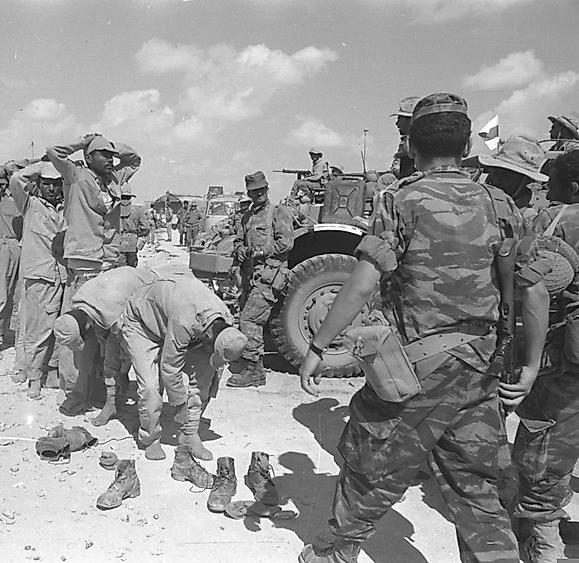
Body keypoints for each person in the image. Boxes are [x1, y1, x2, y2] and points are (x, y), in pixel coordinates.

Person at [297, 93, 550, 563]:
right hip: (480, 368)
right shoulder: (500, 204)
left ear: (411, 146)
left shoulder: (401, 199)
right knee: (476, 485)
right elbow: (534, 291)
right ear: (469, 143)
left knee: (370, 459)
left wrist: (319, 344)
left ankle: (336, 551)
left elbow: (363, 280)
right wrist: (531, 367)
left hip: (416, 370)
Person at [512, 150, 579, 562]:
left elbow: (532, 286)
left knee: (544, 439)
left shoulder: (557, 221)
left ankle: (543, 538)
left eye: (552, 182)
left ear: (572, 187)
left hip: (564, 355)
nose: (546, 189)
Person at [47, 133, 141, 416]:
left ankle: (109, 391)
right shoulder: (75, 175)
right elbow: (54, 151)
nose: (110, 159)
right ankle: (75, 393)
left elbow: (135, 158)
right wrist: (85, 141)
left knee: (113, 335)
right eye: (103, 154)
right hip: (85, 267)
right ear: (89, 157)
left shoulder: (115, 178)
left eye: (112, 155)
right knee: (78, 338)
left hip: (109, 266)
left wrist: (110, 144)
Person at [117, 276, 247, 461]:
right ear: (208, 337)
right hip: (142, 323)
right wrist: (179, 404)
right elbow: (170, 367)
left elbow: (216, 363)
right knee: (150, 387)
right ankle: (150, 438)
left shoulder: (225, 318)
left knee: (207, 373)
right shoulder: (185, 320)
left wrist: (205, 389)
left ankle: (189, 433)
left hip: (171, 319)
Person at [54, 266, 159, 427]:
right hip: (120, 288)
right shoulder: (80, 301)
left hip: (148, 290)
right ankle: (111, 403)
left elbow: (125, 344)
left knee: (137, 357)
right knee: (110, 350)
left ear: (87, 327)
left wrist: (123, 373)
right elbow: (100, 331)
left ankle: (147, 412)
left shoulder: (112, 312)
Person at [227, 171, 294, 388]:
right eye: (254, 192)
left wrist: (260, 251)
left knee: (249, 320)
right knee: (247, 320)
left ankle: (254, 371)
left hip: (269, 276)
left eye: (262, 191)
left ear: (267, 190)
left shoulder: (278, 212)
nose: (259, 195)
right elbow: (238, 239)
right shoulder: (246, 216)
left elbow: (286, 243)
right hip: (250, 278)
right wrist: (239, 250)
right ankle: (252, 363)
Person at [7, 161, 67, 399]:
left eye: (55, 184)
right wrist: (46, 163)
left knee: (58, 328)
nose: (51, 189)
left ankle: (51, 371)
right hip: (39, 274)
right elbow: (15, 180)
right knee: (36, 330)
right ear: (39, 185)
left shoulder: (65, 207)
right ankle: (34, 377)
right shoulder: (30, 204)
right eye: (46, 184)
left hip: (62, 273)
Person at [0, 159, 28, 360]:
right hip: (3, 247)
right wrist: (7, 166)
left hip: (22, 247)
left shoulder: (23, 198)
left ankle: (13, 335)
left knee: (19, 296)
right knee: (0, 295)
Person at [463, 134, 548, 212]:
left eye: (505, 175)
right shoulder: (481, 204)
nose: (493, 179)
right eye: (494, 171)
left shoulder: (526, 219)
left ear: (525, 181)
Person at [117, 183, 149, 267]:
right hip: (133, 242)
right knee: (132, 270)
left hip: (118, 242)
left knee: (120, 270)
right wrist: (140, 236)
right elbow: (145, 228)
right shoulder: (137, 210)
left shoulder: (115, 210)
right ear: (130, 197)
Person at [390, 96, 420, 179]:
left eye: (400, 119)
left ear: (411, 120)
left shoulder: (409, 143)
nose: (397, 123)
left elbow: (404, 173)